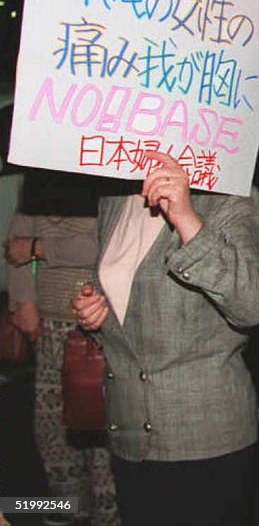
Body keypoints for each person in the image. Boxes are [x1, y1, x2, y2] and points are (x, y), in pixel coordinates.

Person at [71, 152, 259, 526]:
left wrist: (185, 218)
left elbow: (254, 302)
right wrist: (94, 313)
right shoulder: (115, 199)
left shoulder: (231, 198)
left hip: (205, 439)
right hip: (129, 435)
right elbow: (128, 296)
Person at [5, 170, 118, 526]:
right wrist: (23, 300)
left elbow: (102, 245)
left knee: (100, 422)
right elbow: (16, 243)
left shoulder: (107, 174)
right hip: (51, 323)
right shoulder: (38, 172)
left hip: (100, 323)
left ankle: (108, 514)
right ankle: (66, 510)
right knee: (51, 427)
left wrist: (38, 249)